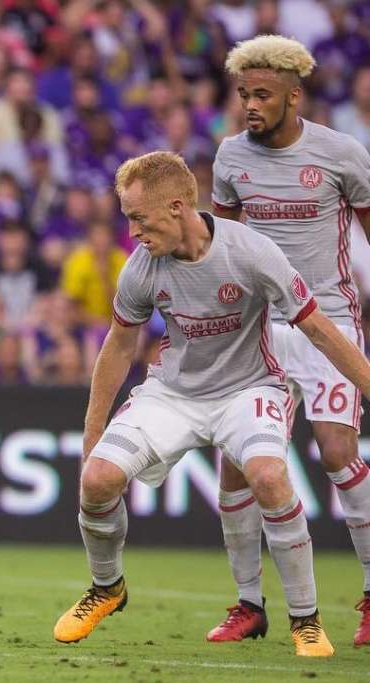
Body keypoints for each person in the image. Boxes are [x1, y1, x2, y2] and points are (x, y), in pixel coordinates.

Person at [52, 151, 370, 657]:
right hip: (174, 394)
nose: (131, 231)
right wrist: (92, 438)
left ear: (176, 207)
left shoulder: (251, 252)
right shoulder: (141, 268)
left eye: (138, 217)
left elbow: (317, 328)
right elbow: (118, 346)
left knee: (268, 476)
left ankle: (305, 620)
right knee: (97, 480)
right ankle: (107, 587)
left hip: (249, 389)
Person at [208, 35, 370, 646]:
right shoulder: (230, 157)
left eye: (263, 95)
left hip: (328, 323)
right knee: (237, 466)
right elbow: (221, 248)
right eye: (243, 93)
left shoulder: (341, 153)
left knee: (335, 453)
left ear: (293, 96)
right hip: (261, 330)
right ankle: (248, 604)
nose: (250, 104)